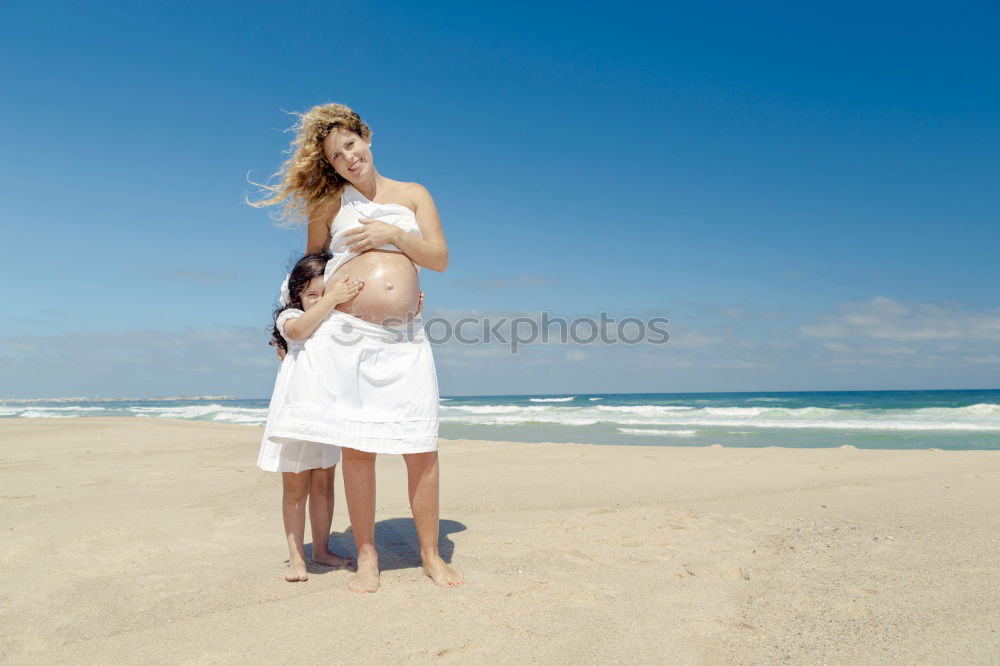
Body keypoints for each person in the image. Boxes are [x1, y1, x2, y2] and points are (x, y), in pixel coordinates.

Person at [249, 102, 462, 593]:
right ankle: (367, 556)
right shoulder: (329, 205)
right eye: (336, 155)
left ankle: (430, 554)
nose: (347, 158)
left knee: (421, 447)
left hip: (406, 340)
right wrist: (291, 325)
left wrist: (392, 237)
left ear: (367, 137)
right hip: (346, 338)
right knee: (358, 450)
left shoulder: (413, 195)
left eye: (351, 144)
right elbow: (308, 269)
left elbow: (441, 258)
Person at [257, 252, 362, 582]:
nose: (319, 299)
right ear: (297, 295)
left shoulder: (334, 319)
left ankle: (321, 548)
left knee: (324, 484)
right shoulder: (289, 316)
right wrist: (330, 299)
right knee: (295, 486)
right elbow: (299, 331)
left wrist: (411, 310)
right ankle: (296, 557)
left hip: (326, 411)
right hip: (295, 412)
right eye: (311, 294)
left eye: (324, 291)